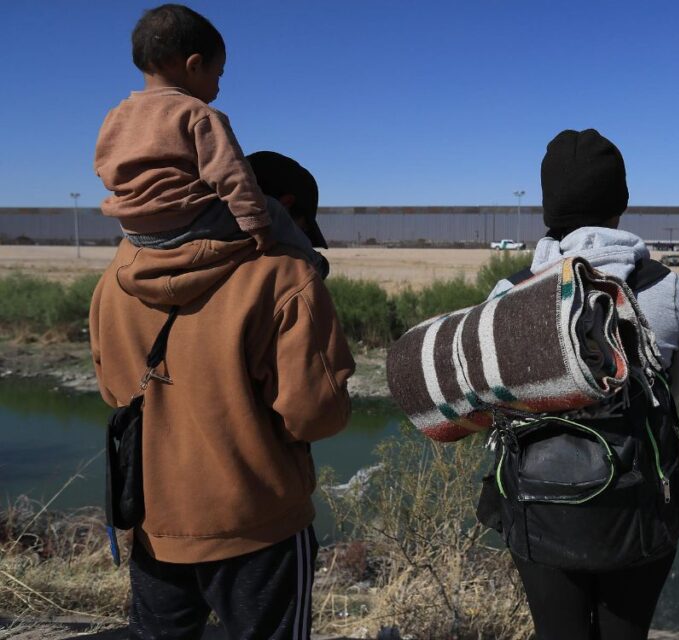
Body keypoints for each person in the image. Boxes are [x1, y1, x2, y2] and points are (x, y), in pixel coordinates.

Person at [89, 150, 356, 639]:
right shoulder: (285, 276)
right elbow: (315, 416)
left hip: (158, 523)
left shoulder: (118, 273)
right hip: (260, 524)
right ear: (285, 205)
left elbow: (112, 390)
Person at [486, 128, 679, 639]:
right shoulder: (670, 292)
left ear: (546, 208)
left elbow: (497, 399)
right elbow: (674, 386)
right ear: (621, 203)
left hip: (539, 508)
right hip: (638, 511)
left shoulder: (506, 295)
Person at [94, 4, 325, 276]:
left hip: (135, 230)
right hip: (189, 223)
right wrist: (257, 225)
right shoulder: (197, 113)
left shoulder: (116, 115)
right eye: (219, 74)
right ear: (195, 65)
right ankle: (312, 265)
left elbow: (103, 168)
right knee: (273, 210)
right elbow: (231, 175)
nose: (218, 86)